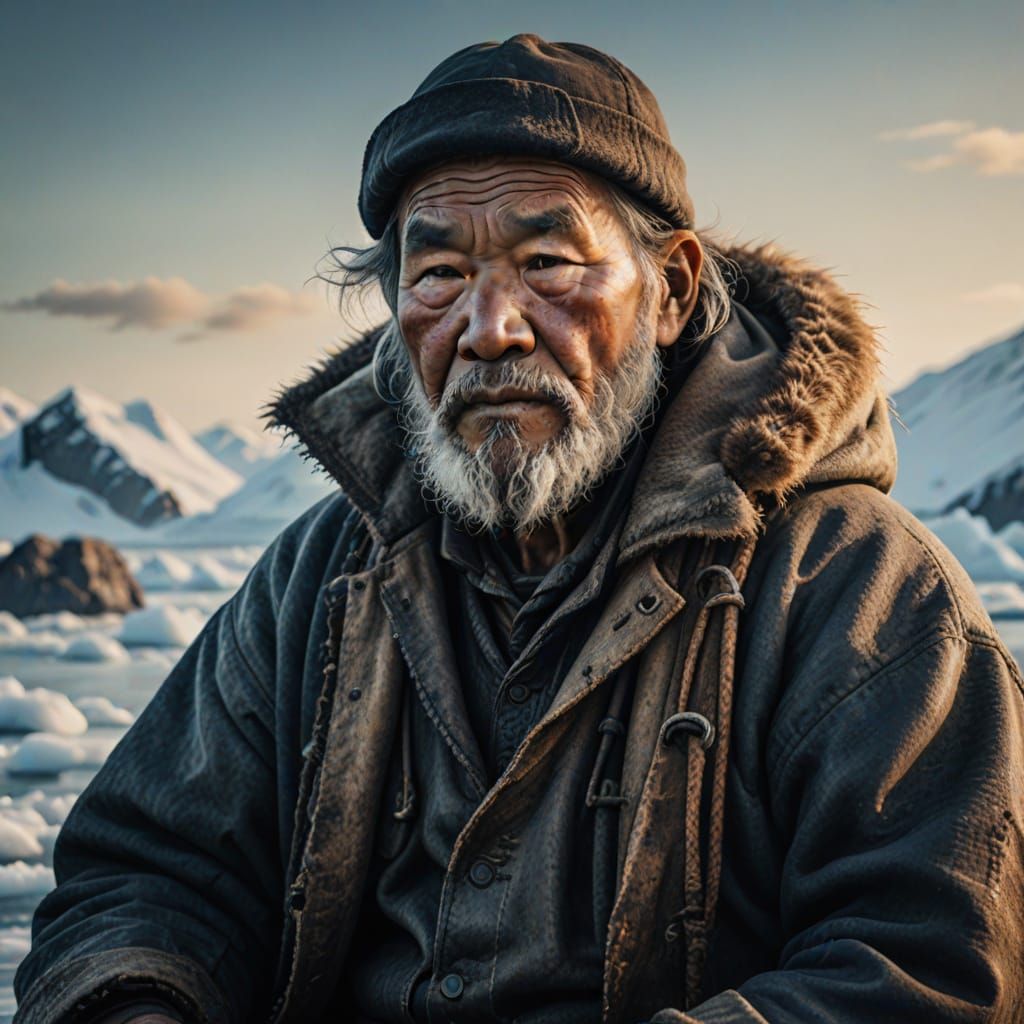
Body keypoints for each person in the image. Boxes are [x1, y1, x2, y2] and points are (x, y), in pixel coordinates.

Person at [14, 33, 1024, 1024]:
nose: (489, 327)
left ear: (669, 290)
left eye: (547, 261)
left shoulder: (857, 589)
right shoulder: (320, 578)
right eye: (439, 274)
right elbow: (147, 876)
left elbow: (927, 964)